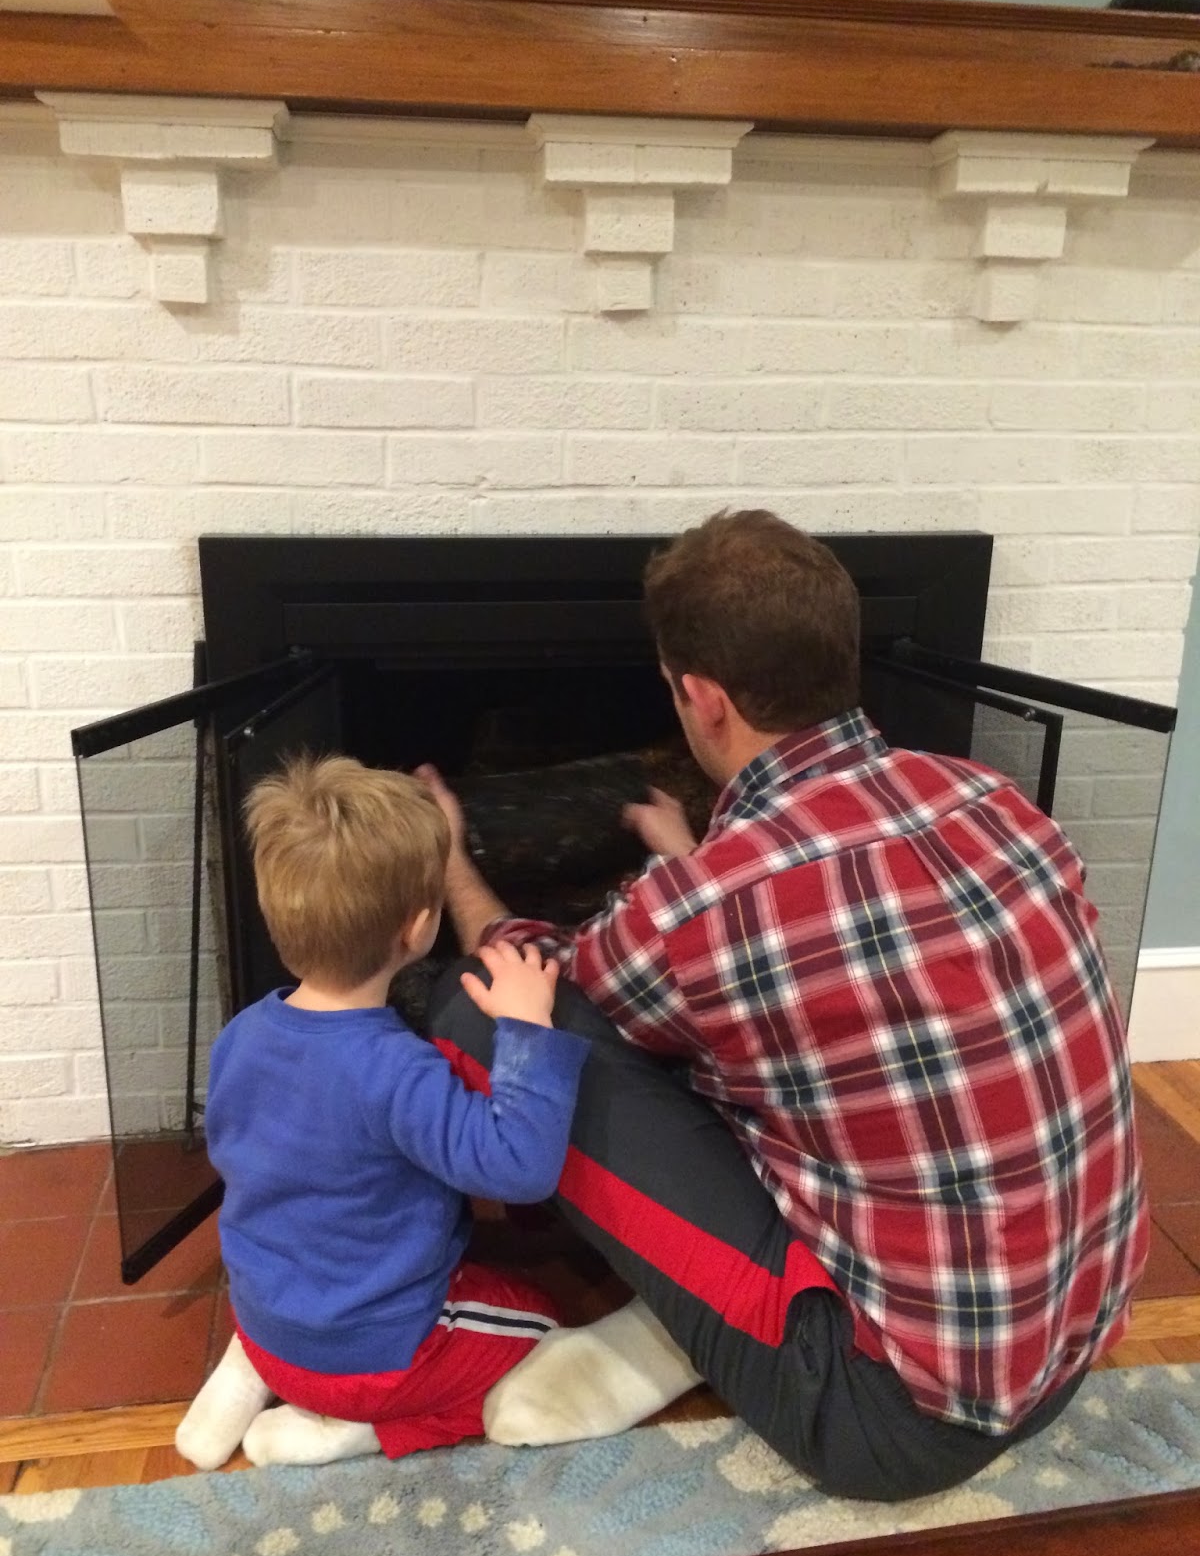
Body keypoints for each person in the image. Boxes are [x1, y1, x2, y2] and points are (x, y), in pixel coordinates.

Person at [416, 508, 1148, 1503]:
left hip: (894, 1421)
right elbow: (820, 932)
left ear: (703, 698)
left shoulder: (707, 909)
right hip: (1074, 1348)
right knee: (738, 1042)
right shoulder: (996, 803)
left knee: (480, 1012)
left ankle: (705, 1323)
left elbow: (535, 976)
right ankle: (712, 1303)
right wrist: (696, 860)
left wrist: (451, 861)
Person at [174, 755, 589, 1471]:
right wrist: (528, 1030)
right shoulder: (398, 1072)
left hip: (269, 1320)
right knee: (545, 1330)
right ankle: (355, 1429)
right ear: (420, 927)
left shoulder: (240, 1036)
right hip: (379, 1358)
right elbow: (519, 1168)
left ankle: (247, 1377)